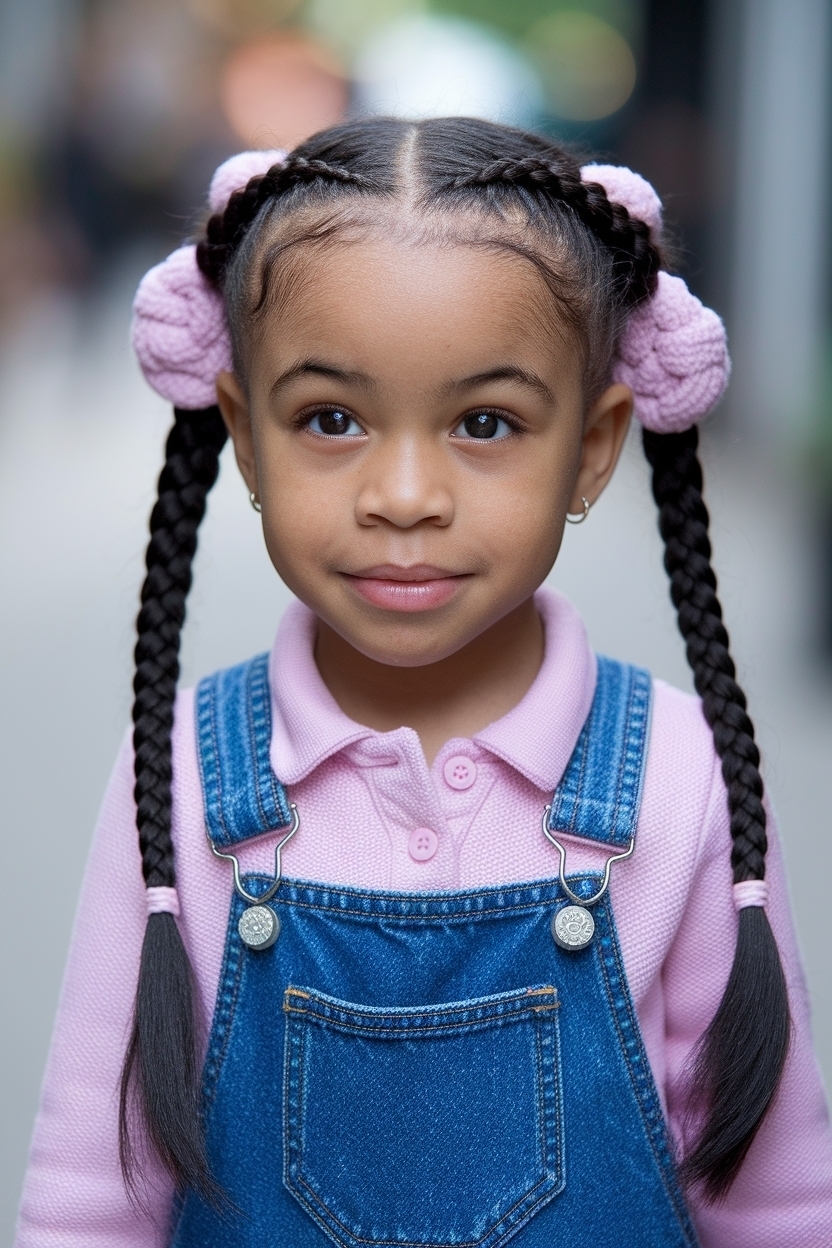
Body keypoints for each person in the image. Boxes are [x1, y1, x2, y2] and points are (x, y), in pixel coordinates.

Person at [15, 117, 832, 1248]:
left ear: (594, 448)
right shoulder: (181, 776)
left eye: (485, 423)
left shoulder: (685, 775)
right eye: (331, 420)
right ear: (245, 437)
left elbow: (778, 1204)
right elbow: (88, 1199)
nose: (404, 495)